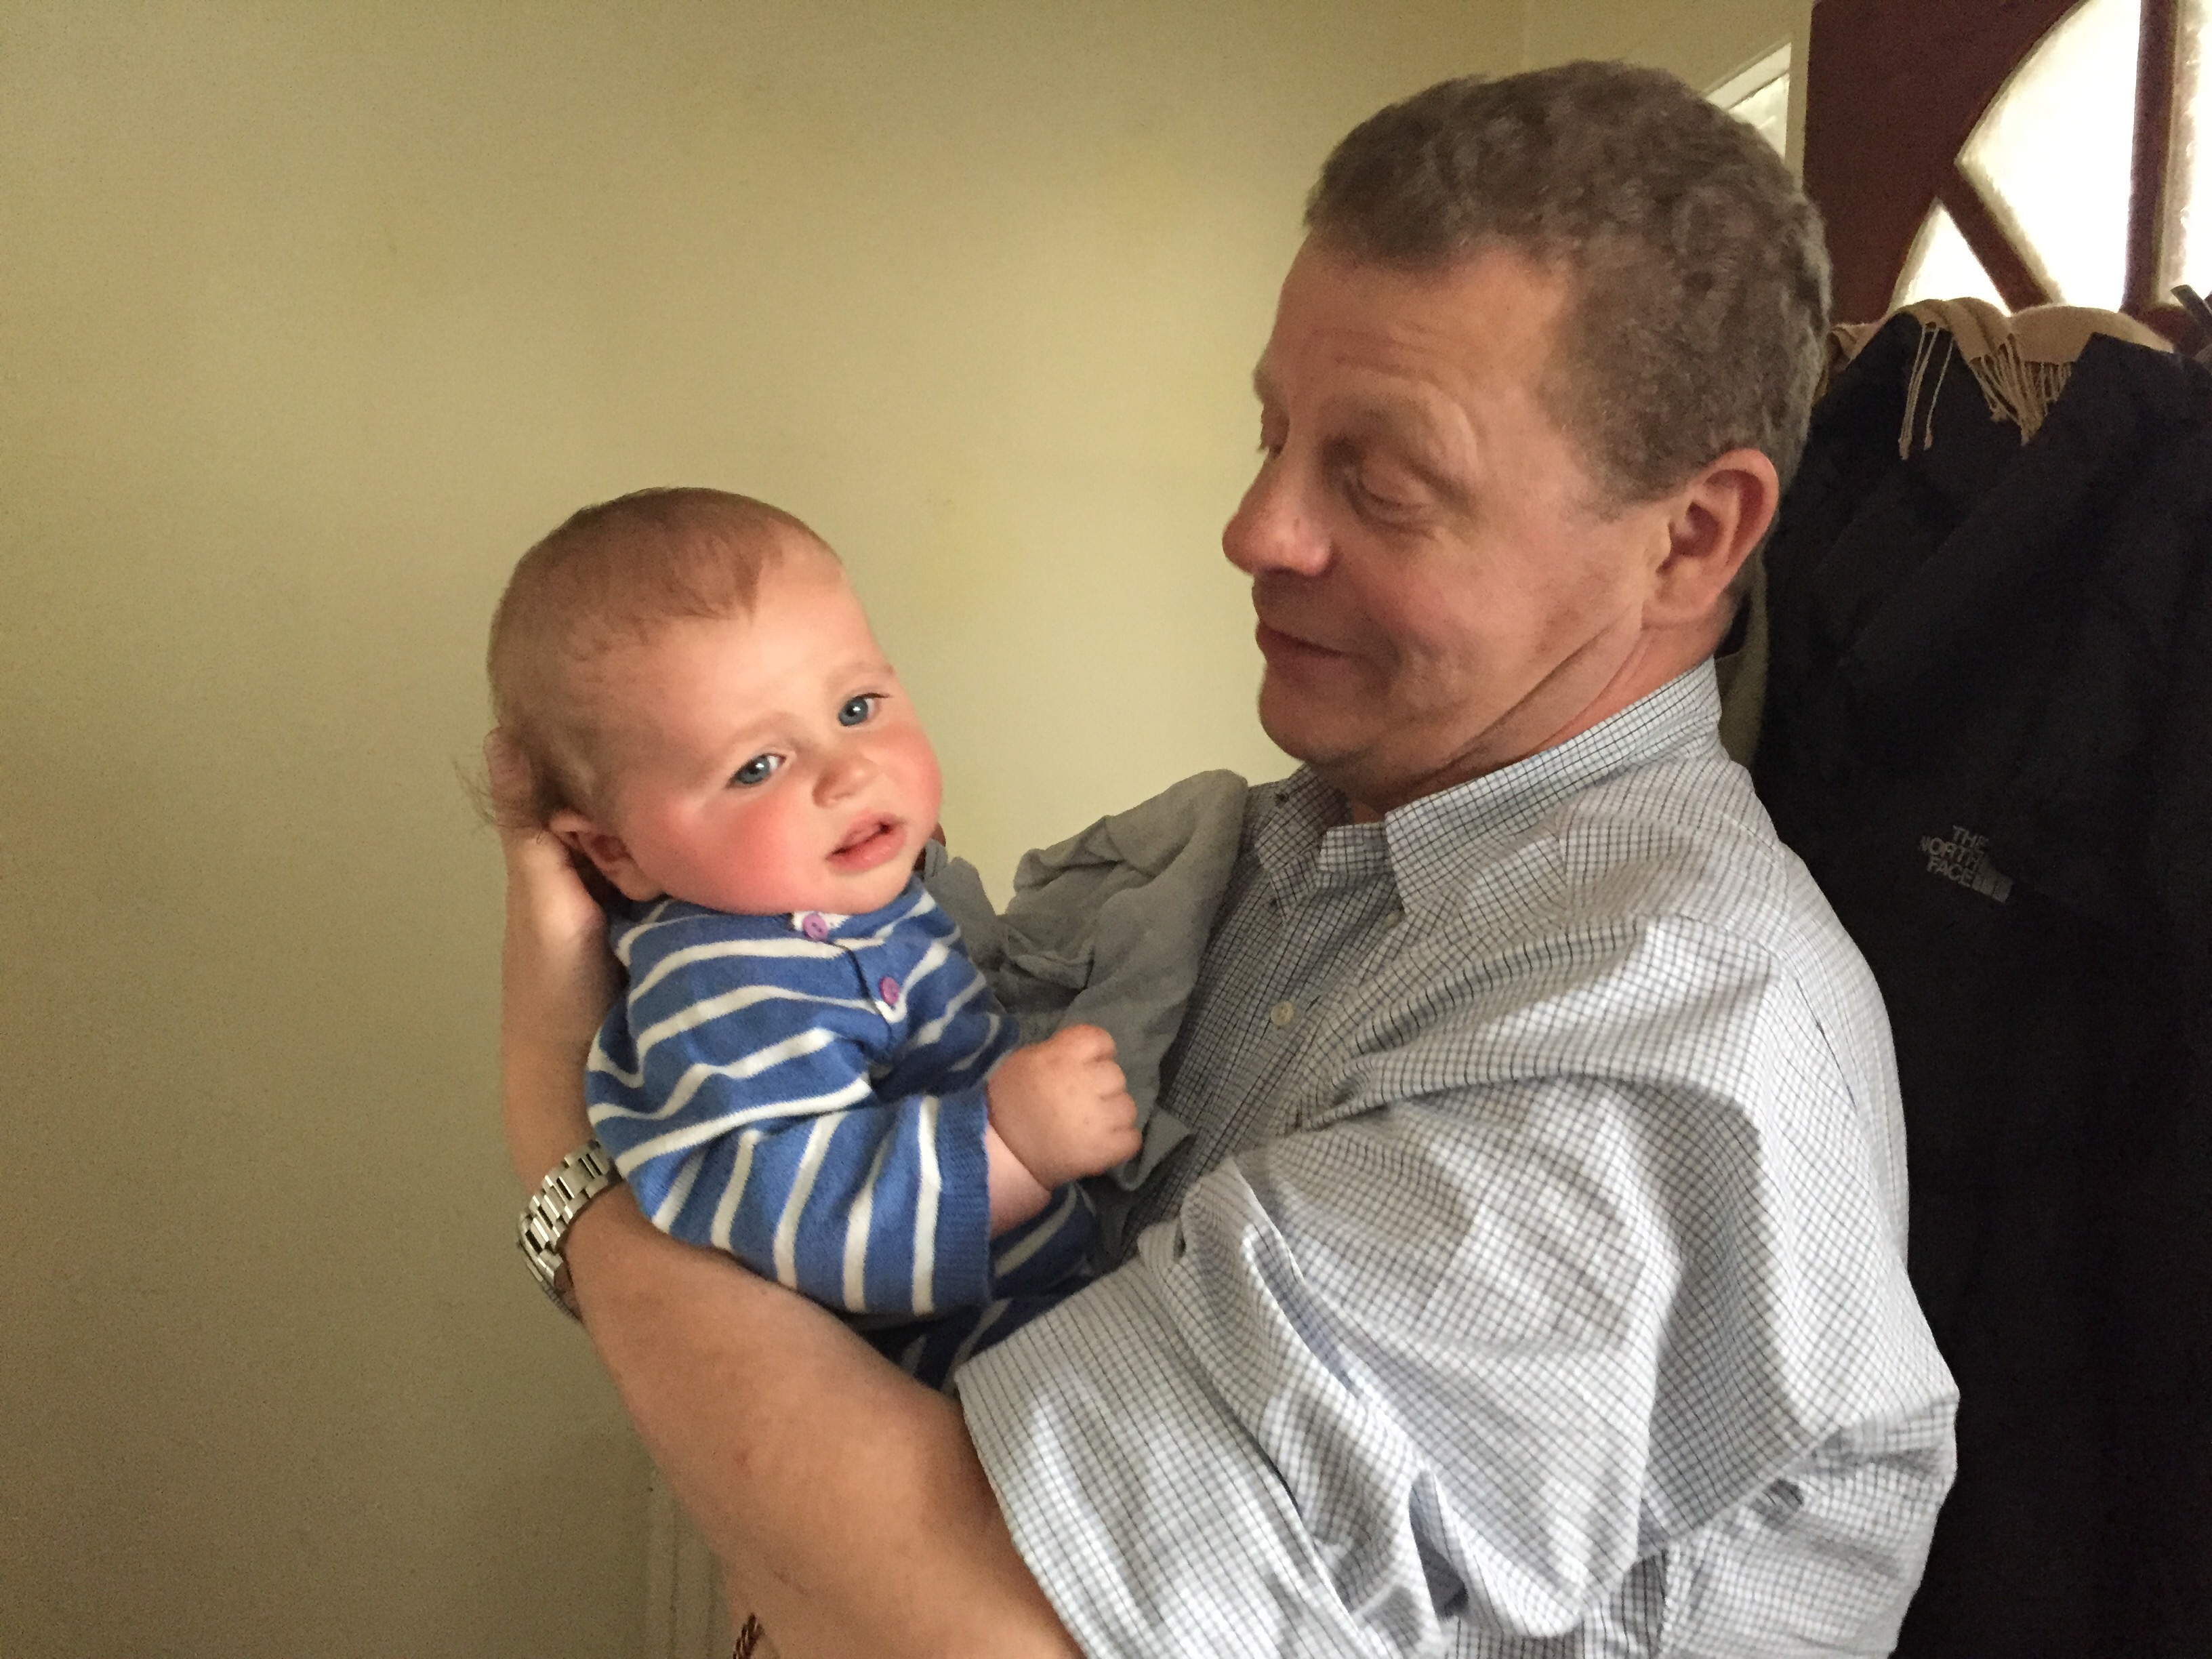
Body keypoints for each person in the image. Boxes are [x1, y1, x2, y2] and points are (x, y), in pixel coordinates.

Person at [492, 63, 1959, 1657]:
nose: (1257, 528)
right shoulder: (1267, 859)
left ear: (1692, 537)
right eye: (1273, 432)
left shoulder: (1646, 1044)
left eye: (1380, 481)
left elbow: (971, 1625)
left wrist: (561, 1127)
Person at [488, 489, 1138, 1384]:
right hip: (950, 1374)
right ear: (615, 851)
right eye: (757, 766)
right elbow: (802, 1215)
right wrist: (1012, 1145)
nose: (849, 773)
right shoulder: (720, 987)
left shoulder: (829, 905)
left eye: (858, 708)